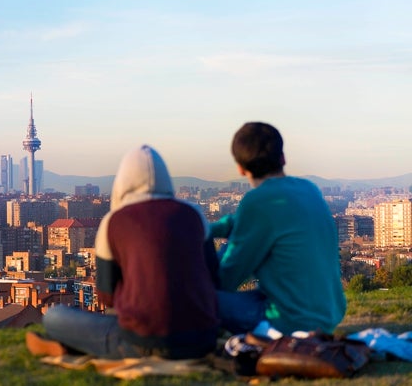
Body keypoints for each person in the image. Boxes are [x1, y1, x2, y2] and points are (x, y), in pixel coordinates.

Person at [27, 144, 219, 359]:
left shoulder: (113, 221)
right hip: (203, 337)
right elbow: (214, 279)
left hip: (141, 341)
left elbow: (107, 297)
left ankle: (77, 345)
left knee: (54, 316)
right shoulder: (195, 214)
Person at [212, 122, 346, 336]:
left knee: (196, 300)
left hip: (291, 321)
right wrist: (212, 229)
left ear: (240, 168)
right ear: (283, 158)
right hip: (329, 313)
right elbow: (249, 221)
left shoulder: (257, 201)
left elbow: (228, 278)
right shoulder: (308, 188)